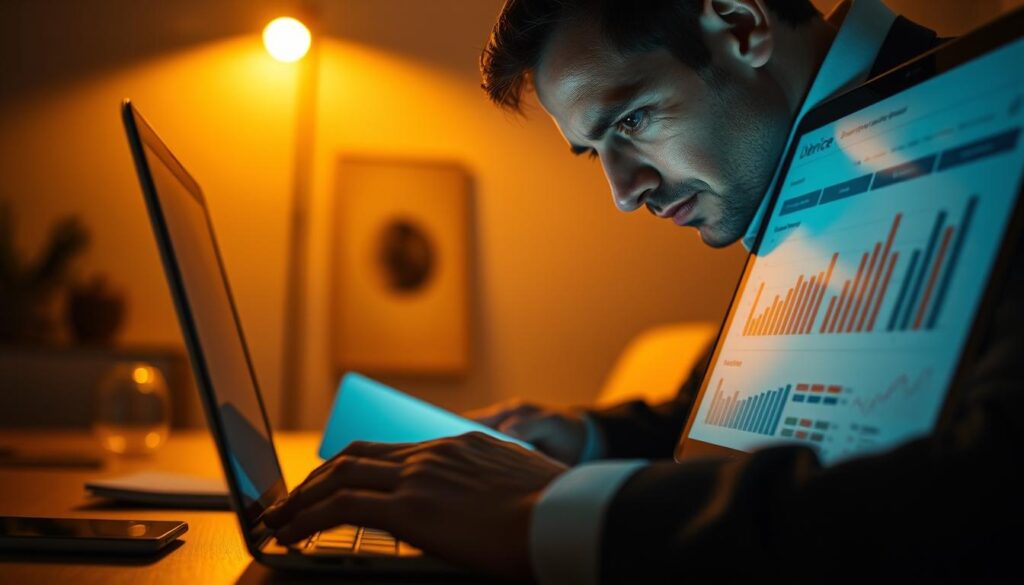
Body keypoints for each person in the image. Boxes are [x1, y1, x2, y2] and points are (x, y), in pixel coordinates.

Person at [264, 1, 1024, 582]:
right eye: (594, 150)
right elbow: (723, 421)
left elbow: (983, 492)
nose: (625, 192)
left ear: (737, 19)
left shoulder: (976, 107)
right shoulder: (809, 153)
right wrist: (582, 439)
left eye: (632, 118)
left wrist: (547, 511)